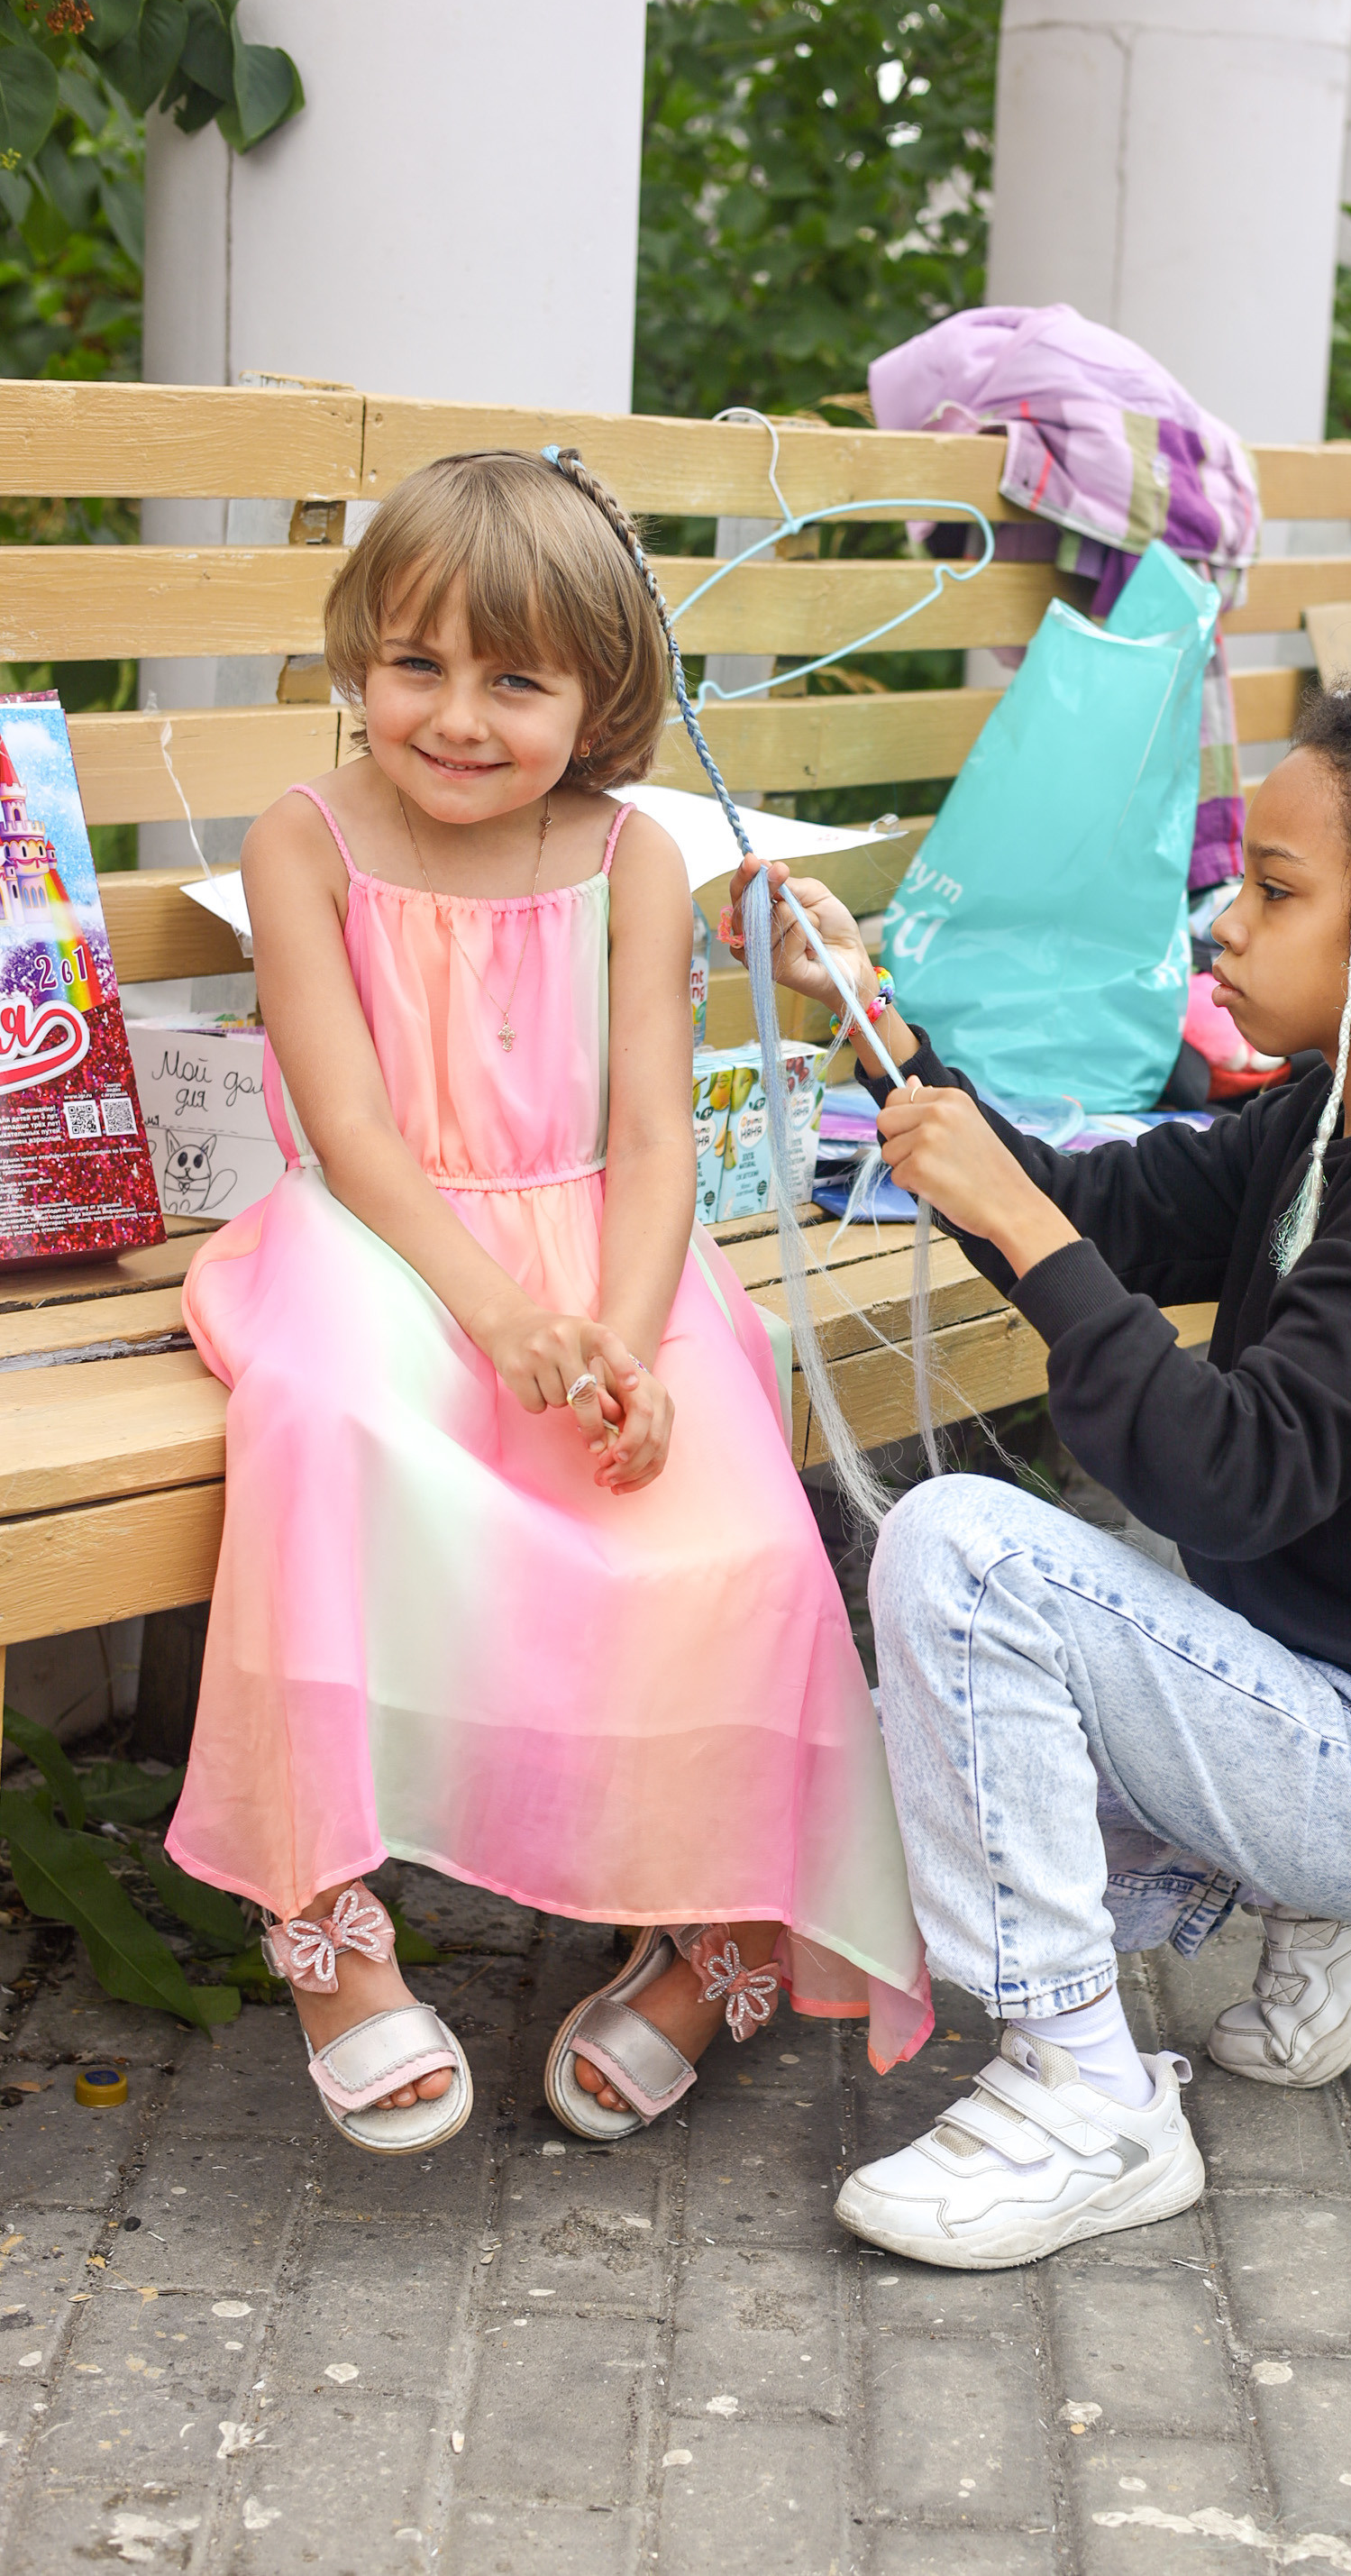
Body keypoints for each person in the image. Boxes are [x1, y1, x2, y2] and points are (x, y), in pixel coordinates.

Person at [728, 679, 1351, 2270]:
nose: (1221, 920)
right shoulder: (1326, 1119)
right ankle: (1323, 1907)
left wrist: (1023, 1222)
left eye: (1274, 890)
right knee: (923, 1757)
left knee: (965, 1549)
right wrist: (877, 1028)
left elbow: (1225, 1476)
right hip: (1308, 1687)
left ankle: (1090, 2098)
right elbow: (1090, 1208)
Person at [166, 450, 930, 2156]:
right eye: (417, 663)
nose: (455, 714)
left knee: (722, 1512)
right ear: (362, 655)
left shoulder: (630, 858)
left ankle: (722, 1920)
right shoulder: (305, 839)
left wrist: (631, 1331)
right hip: (377, 1239)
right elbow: (353, 1128)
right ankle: (319, 1909)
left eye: (514, 678)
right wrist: (499, 1316)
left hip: (606, 1242)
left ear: (597, 698)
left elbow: (654, 1134)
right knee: (328, 1425)